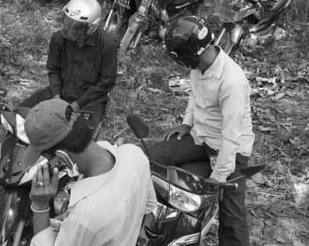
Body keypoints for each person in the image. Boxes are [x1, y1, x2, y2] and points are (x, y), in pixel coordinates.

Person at [149, 16, 255, 246]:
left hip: (231, 150)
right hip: (203, 137)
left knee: (231, 213)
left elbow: (232, 136)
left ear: (188, 55)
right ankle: (159, 219)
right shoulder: (201, 66)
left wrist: (219, 177)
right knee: (156, 156)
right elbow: (194, 97)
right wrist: (186, 124)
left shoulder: (232, 82)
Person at [24, 98, 157, 246]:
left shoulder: (84, 219)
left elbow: (87, 222)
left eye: (50, 159)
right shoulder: (134, 154)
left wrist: (40, 207)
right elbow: (149, 204)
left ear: (63, 156)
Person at [20, 0, 117, 132]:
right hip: (61, 92)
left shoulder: (107, 45)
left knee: (78, 140)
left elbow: (106, 82)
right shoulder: (58, 39)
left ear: (91, 27)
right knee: (20, 113)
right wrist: (56, 96)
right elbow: (53, 69)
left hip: (90, 101)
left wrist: (77, 104)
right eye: (68, 24)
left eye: (77, 28)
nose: (70, 31)